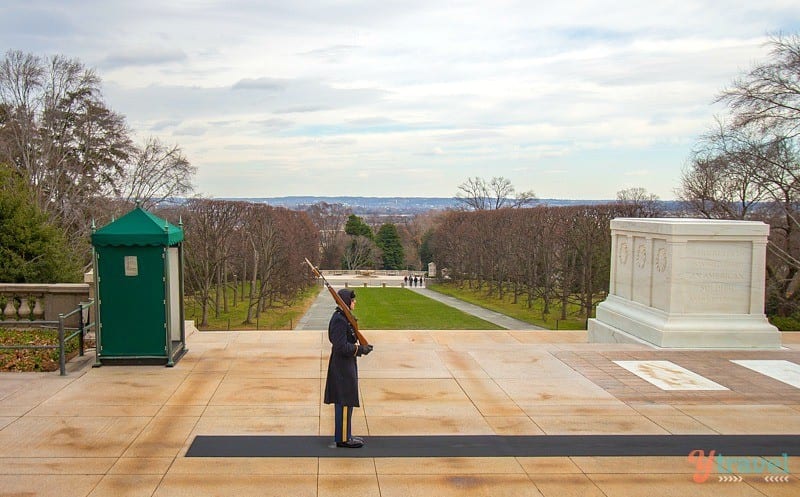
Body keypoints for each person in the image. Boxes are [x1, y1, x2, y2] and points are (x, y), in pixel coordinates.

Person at [324, 289, 373, 448]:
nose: (355, 302)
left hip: (345, 364)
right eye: (352, 300)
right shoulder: (339, 320)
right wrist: (360, 350)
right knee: (344, 401)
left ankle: (346, 434)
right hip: (342, 366)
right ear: (346, 302)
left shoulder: (344, 318)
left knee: (347, 400)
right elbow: (340, 346)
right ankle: (343, 439)